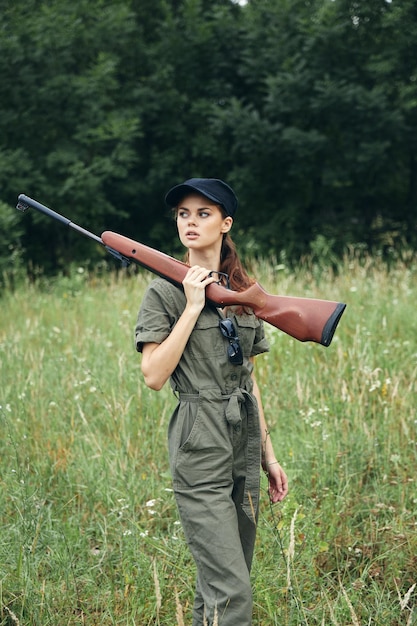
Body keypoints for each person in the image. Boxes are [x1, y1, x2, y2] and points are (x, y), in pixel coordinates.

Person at [135, 178, 288, 625]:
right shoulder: (163, 292)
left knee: (221, 584)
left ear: (226, 223)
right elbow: (154, 376)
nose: (190, 222)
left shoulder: (244, 293)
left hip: (243, 436)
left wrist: (269, 456)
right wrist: (190, 306)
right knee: (233, 591)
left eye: (203, 213)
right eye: (183, 213)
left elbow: (249, 380)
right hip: (199, 439)